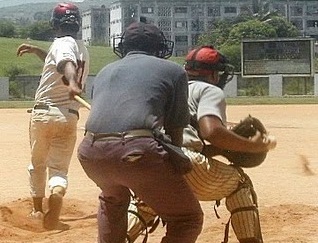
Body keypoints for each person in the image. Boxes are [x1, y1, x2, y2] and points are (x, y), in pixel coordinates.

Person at [127, 46, 270, 243]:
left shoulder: (168, 87)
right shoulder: (209, 90)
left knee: (148, 202)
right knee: (240, 184)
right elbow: (211, 132)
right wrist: (251, 146)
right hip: (185, 159)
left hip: (150, 155)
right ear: (213, 74)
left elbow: (193, 140)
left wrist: (223, 149)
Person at [77, 21, 203, 243]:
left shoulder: (106, 71)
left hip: (90, 152)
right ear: (159, 46)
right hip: (136, 151)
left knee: (112, 202)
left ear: (123, 45)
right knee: (187, 218)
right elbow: (175, 131)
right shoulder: (173, 70)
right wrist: (173, 165)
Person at [16, 2, 89, 230]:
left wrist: (73, 83)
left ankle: (38, 209)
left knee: (37, 164)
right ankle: (56, 192)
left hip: (44, 113)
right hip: (69, 116)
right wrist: (38, 51)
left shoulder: (61, 44)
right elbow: (59, 61)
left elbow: (65, 63)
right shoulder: (82, 48)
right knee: (58, 169)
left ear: (54, 24)